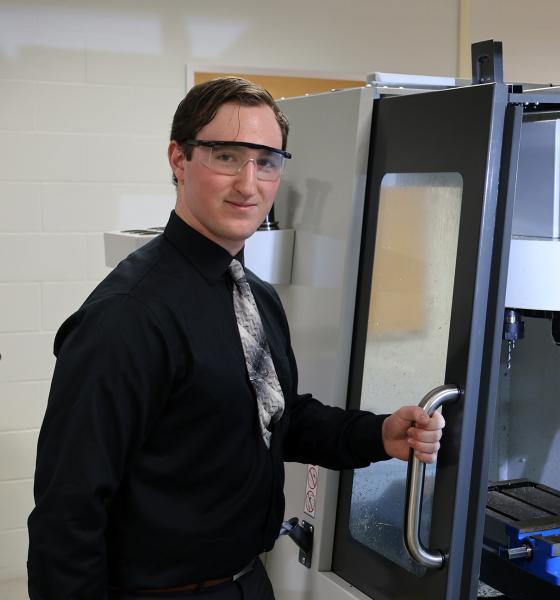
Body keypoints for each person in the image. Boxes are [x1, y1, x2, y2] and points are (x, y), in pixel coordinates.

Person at [27, 77, 445, 600]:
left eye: (267, 161)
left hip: (247, 581)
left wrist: (378, 433)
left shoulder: (255, 296)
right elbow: (67, 513)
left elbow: (276, 419)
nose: (249, 184)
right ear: (178, 160)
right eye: (226, 156)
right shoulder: (128, 318)